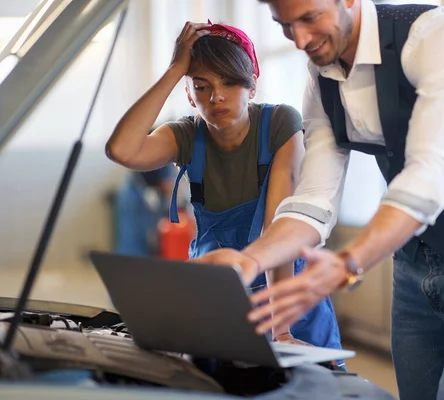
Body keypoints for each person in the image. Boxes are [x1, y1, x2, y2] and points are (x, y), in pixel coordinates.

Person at [193, 1, 444, 399]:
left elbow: (429, 176)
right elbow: (315, 197)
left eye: (310, 18)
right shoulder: (322, 76)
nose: (299, 39)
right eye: (285, 26)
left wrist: (346, 263)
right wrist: (251, 259)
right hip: (416, 256)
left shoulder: (436, 36)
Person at [105, 20, 343, 364]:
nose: (215, 97)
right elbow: (122, 150)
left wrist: (282, 333)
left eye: (230, 83)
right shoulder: (187, 136)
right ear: (188, 94)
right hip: (219, 296)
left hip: (285, 295)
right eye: (201, 87)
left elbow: (276, 228)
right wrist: (175, 70)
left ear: (252, 86)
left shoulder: (279, 124)